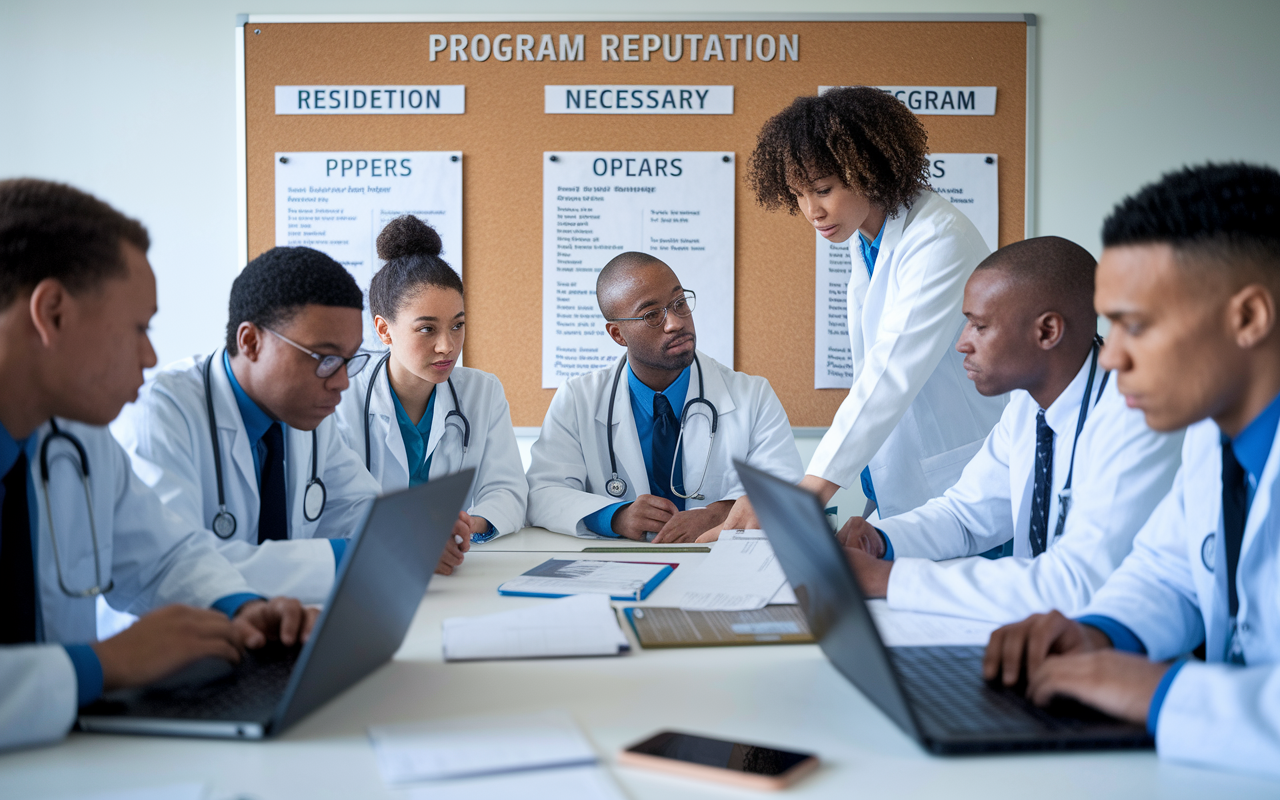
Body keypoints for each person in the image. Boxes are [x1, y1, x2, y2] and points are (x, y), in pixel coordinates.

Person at [984, 163, 1280, 777]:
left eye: (1135, 325)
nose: (1111, 356)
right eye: (1109, 323)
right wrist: (1098, 635)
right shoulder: (1211, 434)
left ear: (1249, 317)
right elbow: (1170, 568)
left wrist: (1159, 693)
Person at [0, 178, 317, 751]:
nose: (150, 355)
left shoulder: (76, 440)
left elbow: (165, 556)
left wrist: (243, 609)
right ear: (52, 312)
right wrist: (98, 666)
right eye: (139, 328)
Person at [835, 236, 1183, 622]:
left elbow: (1077, 584)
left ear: (1048, 331)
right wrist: (881, 540)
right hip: (1032, 632)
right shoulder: (1027, 407)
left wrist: (890, 580)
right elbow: (966, 516)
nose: (962, 344)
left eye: (979, 326)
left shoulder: (1134, 419)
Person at [708, 86, 1006, 537]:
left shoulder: (939, 239)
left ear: (868, 169)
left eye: (823, 190)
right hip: (894, 476)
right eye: (799, 195)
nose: (812, 211)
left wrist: (805, 495)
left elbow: (891, 372)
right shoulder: (869, 236)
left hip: (954, 476)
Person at [112, 246, 468, 601]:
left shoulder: (308, 414)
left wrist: (411, 528)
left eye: (348, 359)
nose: (342, 382)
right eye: (326, 358)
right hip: (177, 645)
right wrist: (364, 554)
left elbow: (358, 507)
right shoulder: (161, 412)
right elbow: (175, 568)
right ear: (250, 342)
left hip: (279, 630)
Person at [527, 252, 803, 541]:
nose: (675, 323)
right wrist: (615, 516)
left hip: (720, 563)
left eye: (680, 303)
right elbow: (542, 493)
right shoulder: (577, 399)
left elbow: (786, 489)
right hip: (617, 567)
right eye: (651, 315)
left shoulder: (752, 396)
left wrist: (717, 514)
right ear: (618, 334)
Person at [335, 215, 527, 546]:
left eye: (457, 325)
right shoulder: (342, 395)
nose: (447, 346)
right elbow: (333, 508)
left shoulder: (483, 392)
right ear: (384, 330)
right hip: (373, 563)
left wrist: (468, 523)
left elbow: (508, 490)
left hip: (457, 562)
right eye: (427, 329)